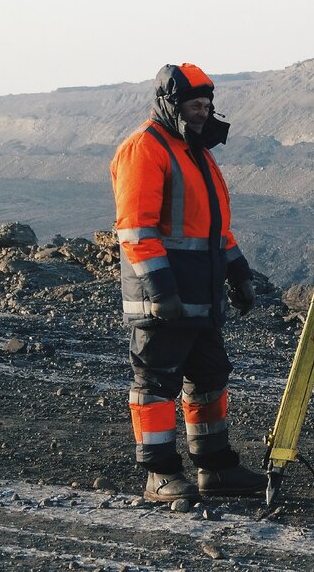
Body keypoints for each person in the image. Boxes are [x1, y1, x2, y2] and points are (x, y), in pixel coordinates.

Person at [111, 63, 265, 502]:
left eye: (206, 105)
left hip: (200, 295)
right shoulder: (146, 148)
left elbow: (214, 227)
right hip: (164, 299)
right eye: (194, 105)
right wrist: (161, 291)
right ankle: (159, 473)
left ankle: (215, 469)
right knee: (156, 385)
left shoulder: (194, 150)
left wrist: (238, 269)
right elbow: (136, 229)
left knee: (210, 380)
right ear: (170, 103)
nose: (203, 112)